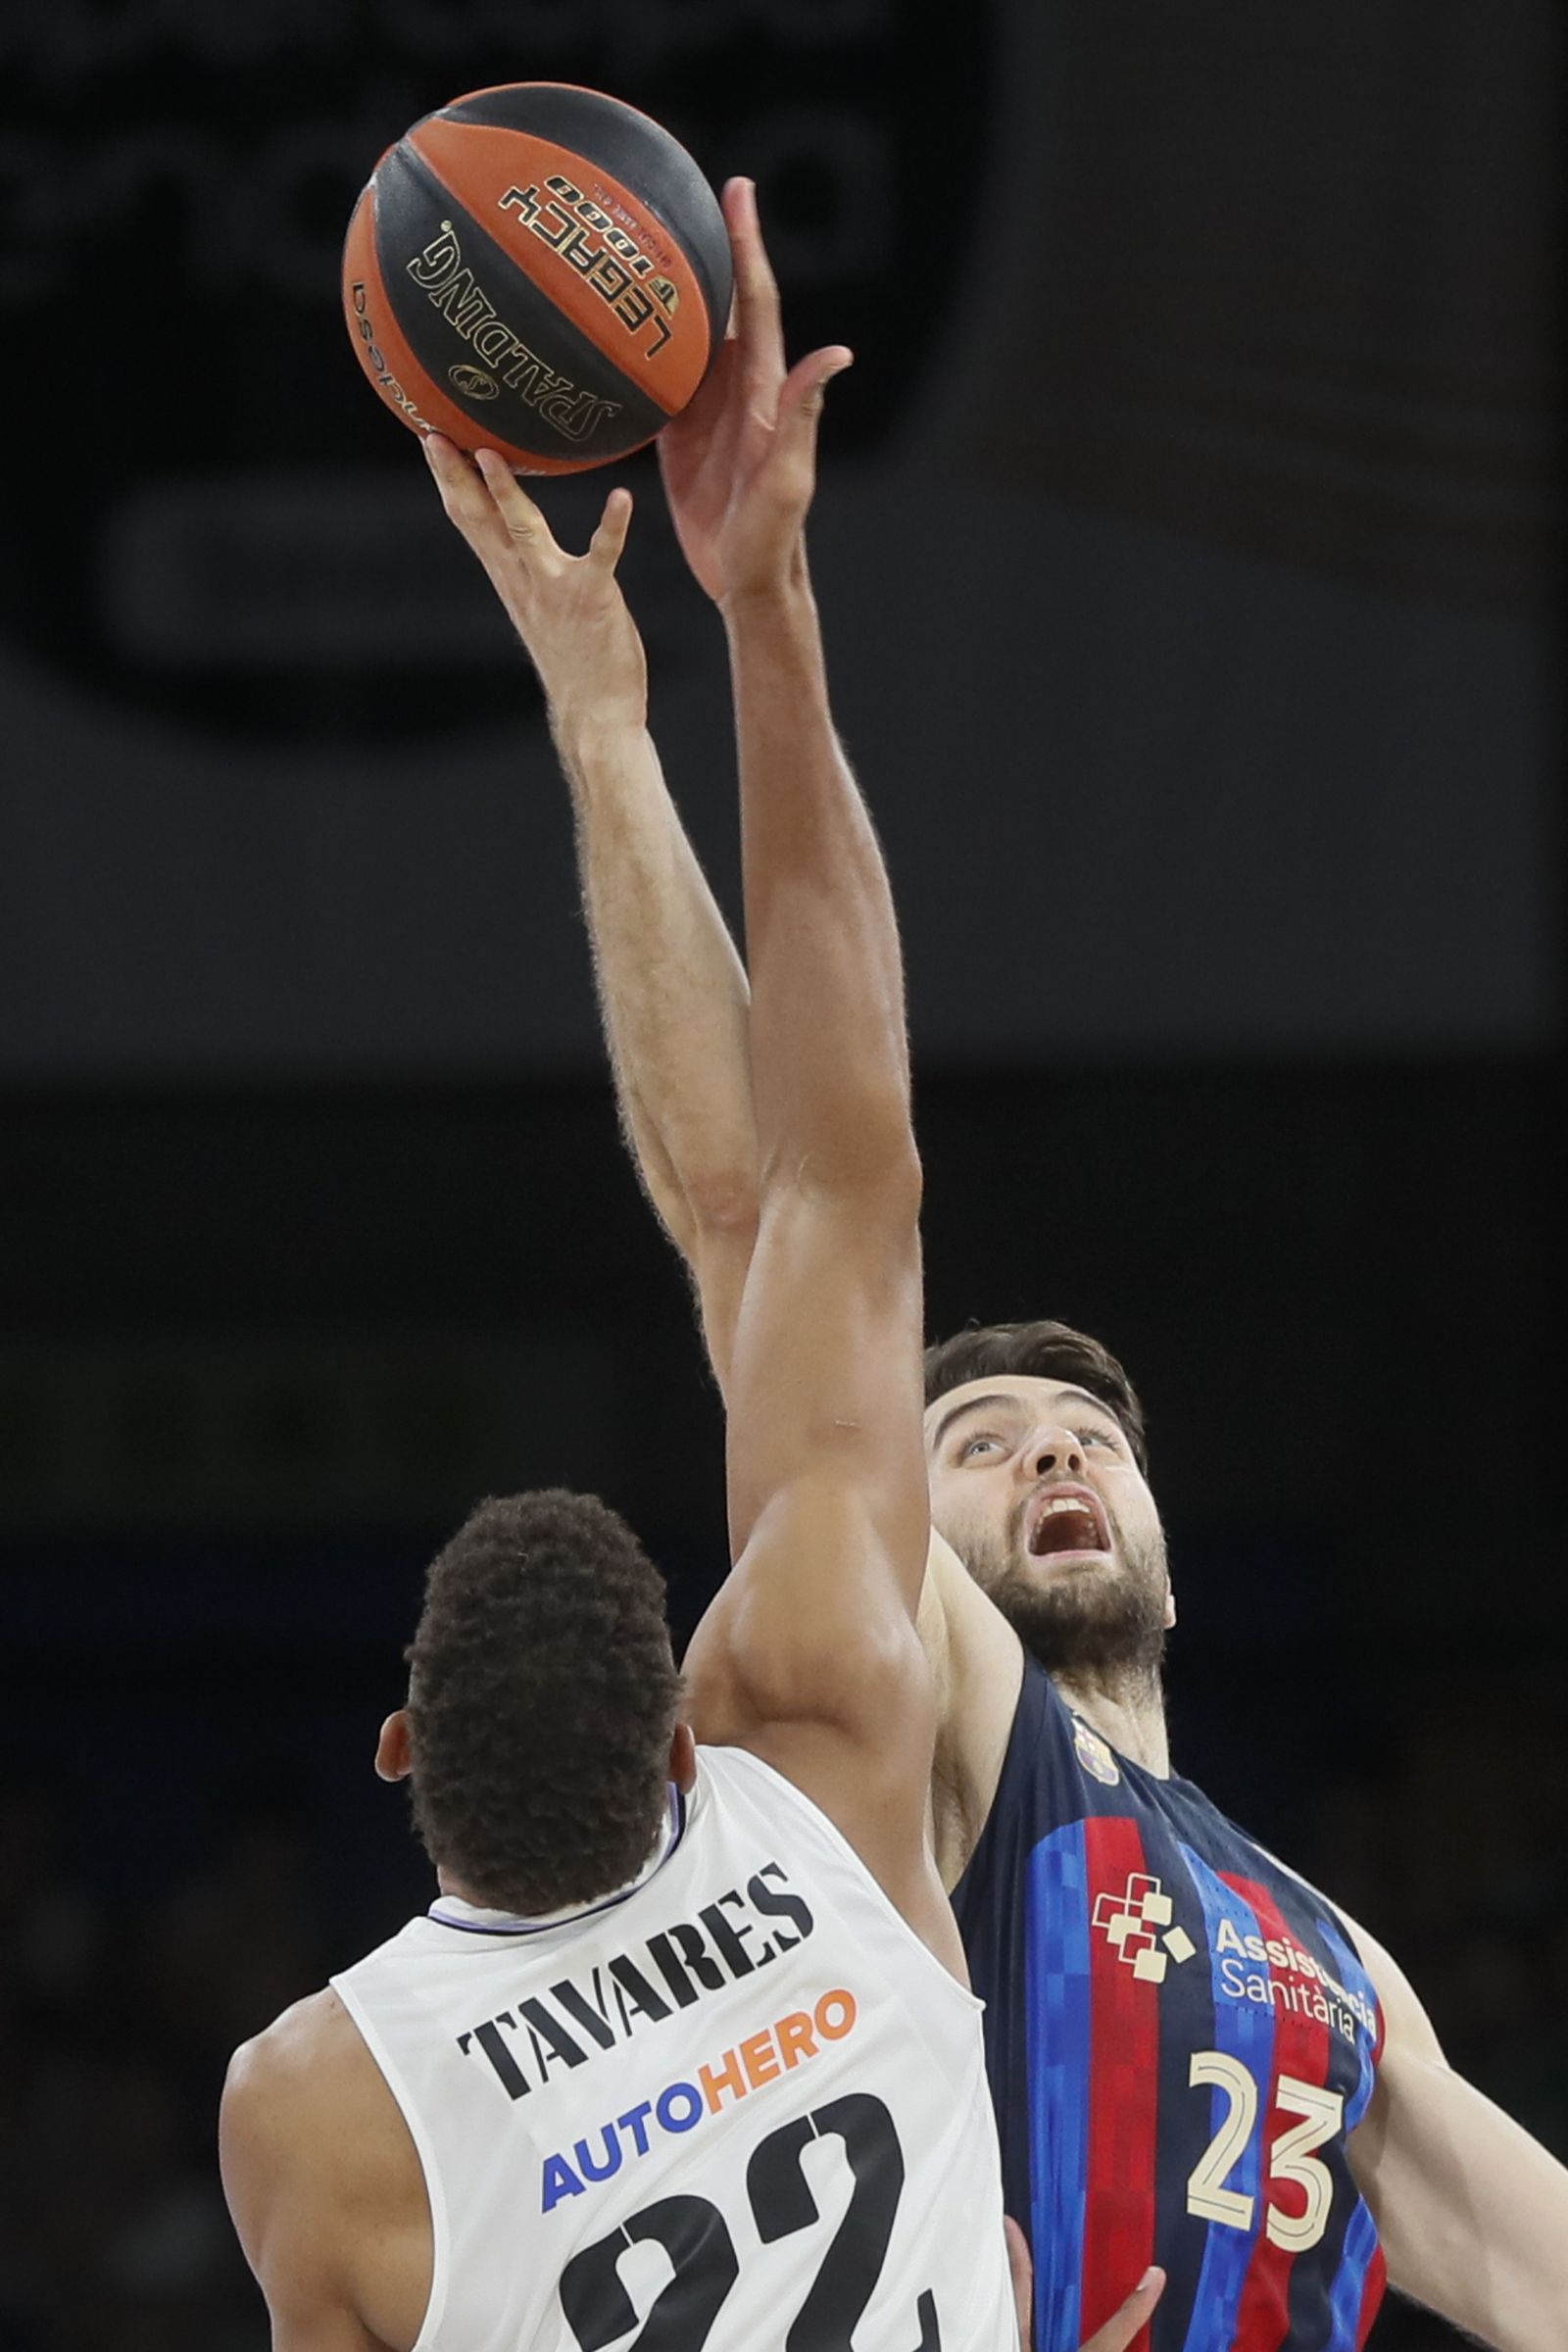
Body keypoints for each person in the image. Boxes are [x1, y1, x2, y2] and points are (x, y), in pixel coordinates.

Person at [501, 175, 1568, 2351]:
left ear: (1172, 1560)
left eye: (1083, 1433)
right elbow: (772, 1207)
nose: (1047, 1454)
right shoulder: (934, 1731)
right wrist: (684, 681)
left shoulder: (1323, 1957)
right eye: (974, 1441)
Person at [217, 243, 1164, 2351]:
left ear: (398, 1755)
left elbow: (758, 1214)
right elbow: (828, 1183)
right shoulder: (816, 1738)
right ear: (681, 1734)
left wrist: (596, 729)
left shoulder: (317, 2111)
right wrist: (750, 611)